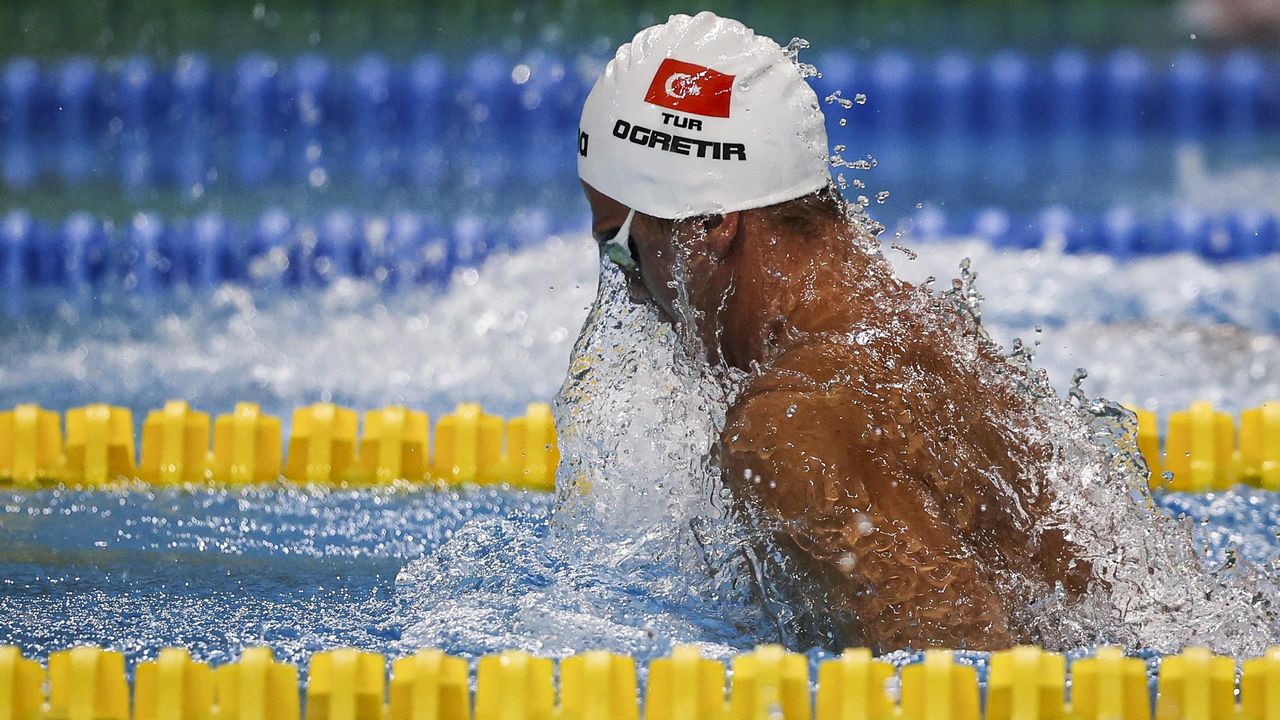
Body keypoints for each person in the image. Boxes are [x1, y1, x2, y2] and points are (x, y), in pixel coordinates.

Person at [575, 11, 1092, 650]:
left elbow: (963, 673)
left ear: (711, 222)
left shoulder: (787, 427)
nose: (633, 295)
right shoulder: (921, 332)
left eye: (623, 249)